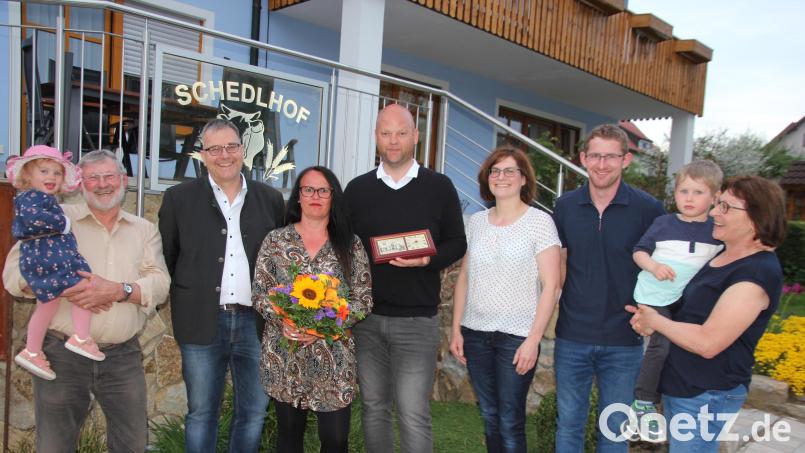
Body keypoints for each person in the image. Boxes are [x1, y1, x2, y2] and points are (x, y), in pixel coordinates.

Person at [3, 149, 170, 452]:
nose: (103, 184)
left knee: (132, 444)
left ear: (123, 180)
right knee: (54, 446)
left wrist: (118, 290)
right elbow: (13, 276)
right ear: (80, 183)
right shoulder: (55, 218)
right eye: (93, 178)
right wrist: (62, 286)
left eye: (109, 176)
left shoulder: (144, 229)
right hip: (60, 355)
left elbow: (160, 284)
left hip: (123, 357)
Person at [627, 175, 786, 452]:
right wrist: (653, 323)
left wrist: (658, 321)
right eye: (717, 205)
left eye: (725, 207)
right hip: (686, 387)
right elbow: (691, 311)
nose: (713, 212)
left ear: (755, 217)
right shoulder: (724, 255)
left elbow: (708, 342)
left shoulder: (756, 273)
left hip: (706, 394)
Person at [344, 103, 467, 453]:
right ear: (376, 138)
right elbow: (346, 247)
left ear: (415, 136)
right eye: (386, 133)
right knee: (373, 408)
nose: (393, 141)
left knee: (413, 412)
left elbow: (457, 242)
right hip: (367, 319)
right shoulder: (357, 189)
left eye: (401, 133)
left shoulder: (439, 187)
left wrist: (429, 260)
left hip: (417, 321)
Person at [158, 118, 285, 452]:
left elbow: (281, 261)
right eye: (215, 148)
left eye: (231, 146)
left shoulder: (270, 198)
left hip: (256, 323)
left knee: (254, 412)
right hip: (201, 319)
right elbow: (169, 257)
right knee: (201, 413)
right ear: (203, 155)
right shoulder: (178, 199)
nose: (224, 155)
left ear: (243, 151)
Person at [551, 124, 664, 452]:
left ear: (625, 160)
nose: (602, 164)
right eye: (595, 156)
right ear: (583, 158)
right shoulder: (566, 206)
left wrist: (652, 311)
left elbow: (665, 268)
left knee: (615, 430)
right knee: (568, 424)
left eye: (611, 157)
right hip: (572, 335)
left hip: (623, 340)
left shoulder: (648, 209)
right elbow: (557, 263)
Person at [252, 166, 372, 453]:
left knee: (335, 440)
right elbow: (260, 292)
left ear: (333, 197)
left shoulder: (350, 244)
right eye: (308, 189)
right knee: (289, 439)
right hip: (285, 354)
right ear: (298, 197)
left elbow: (363, 299)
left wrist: (323, 328)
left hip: (334, 356)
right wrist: (283, 322)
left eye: (323, 190)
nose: (315, 196)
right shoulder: (276, 241)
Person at [449, 146, 561, 452]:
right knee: (489, 415)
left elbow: (551, 286)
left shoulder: (540, 222)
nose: (502, 177)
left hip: (517, 337)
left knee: (510, 420)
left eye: (510, 170)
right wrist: (456, 329)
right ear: (487, 179)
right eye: (495, 171)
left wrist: (533, 340)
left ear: (524, 179)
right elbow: (464, 279)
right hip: (475, 334)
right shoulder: (476, 222)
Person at [623, 160, 724, 441]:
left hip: (686, 301)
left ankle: (663, 402)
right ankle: (643, 402)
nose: (689, 198)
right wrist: (653, 267)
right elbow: (639, 252)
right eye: (683, 191)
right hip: (655, 295)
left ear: (715, 197)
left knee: (682, 350)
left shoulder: (716, 230)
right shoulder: (664, 223)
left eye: (698, 192)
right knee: (661, 345)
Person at [6, 145, 105, 381]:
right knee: (85, 284)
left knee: (47, 305)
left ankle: (32, 350)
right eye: (44, 171)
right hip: (46, 259)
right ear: (27, 176)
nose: (51, 177)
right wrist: (63, 224)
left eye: (57, 173)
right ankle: (81, 337)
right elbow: (34, 220)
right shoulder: (32, 198)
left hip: (46, 257)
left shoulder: (42, 199)